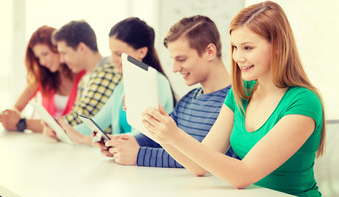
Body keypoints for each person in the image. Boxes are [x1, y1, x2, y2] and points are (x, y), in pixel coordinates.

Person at [142, 1, 325, 196]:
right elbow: (199, 165)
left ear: (278, 46)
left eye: (247, 48)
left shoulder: (304, 102)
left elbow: (243, 175)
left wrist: (176, 136)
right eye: (235, 47)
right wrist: (162, 133)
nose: (237, 57)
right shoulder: (242, 92)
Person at [95, 15, 237, 167]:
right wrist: (123, 143)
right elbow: (160, 138)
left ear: (209, 51)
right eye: (173, 60)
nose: (175, 69)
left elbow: (204, 158)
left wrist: (139, 155)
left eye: (181, 59)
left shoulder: (236, 101)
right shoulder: (189, 99)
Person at [55, 17, 175, 146]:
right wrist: (63, 131)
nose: (112, 60)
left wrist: (94, 140)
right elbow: (99, 122)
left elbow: (144, 134)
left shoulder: (158, 83)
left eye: (118, 54)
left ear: (142, 52)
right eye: (111, 52)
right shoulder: (122, 85)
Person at [0, 25, 85, 132]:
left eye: (45, 54)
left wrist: (21, 123)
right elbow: (17, 107)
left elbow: (74, 124)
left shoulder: (83, 76)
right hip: (46, 141)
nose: (42, 62)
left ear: (59, 48)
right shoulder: (43, 77)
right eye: (38, 57)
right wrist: (10, 115)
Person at [42, 20, 122, 140]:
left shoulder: (107, 72)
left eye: (64, 53)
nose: (62, 60)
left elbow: (83, 115)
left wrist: (55, 126)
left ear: (82, 48)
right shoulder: (85, 79)